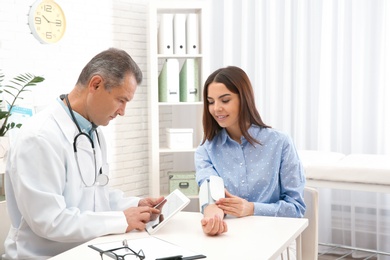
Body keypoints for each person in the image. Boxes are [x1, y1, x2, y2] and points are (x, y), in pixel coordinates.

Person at [3, 48, 164, 260]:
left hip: (86, 251)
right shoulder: (39, 137)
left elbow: (95, 195)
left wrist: (135, 206)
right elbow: (50, 221)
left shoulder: (92, 132)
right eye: (121, 100)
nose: (122, 111)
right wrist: (121, 220)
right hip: (44, 256)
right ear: (95, 84)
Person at [195, 66, 306, 238]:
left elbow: (296, 208)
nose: (216, 108)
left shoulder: (280, 143)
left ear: (244, 99)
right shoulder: (206, 150)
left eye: (225, 100)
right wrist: (212, 218)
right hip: (229, 236)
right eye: (211, 102)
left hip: (274, 236)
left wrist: (252, 208)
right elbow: (210, 195)